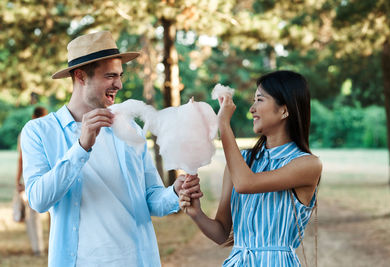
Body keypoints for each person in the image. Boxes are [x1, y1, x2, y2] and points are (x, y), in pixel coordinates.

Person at [20, 31, 202, 267]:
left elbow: (151, 199)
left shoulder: (130, 130)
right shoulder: (39, 132)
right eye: (110, 76)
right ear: (80, 76)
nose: (119, 84)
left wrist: (174, 193)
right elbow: (38, 200)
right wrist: (81, 147)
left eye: (120, 75)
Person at [180, 70, 322, 266]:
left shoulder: (307, 164)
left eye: (260, 100)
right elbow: (221, 233)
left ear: (284, 110)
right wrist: (196, 213)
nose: (252, 109)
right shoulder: (242, 161)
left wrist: (224, 125)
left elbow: (245, 184)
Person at [15, 106, 48, 256]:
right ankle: (47, 246)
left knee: (33, 214)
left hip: (32, 178)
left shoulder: (27, 131)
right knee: (52, 214)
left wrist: (18, 180)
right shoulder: (50, 129)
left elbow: (21, 159)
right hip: (48, 176)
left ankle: (38, 248)